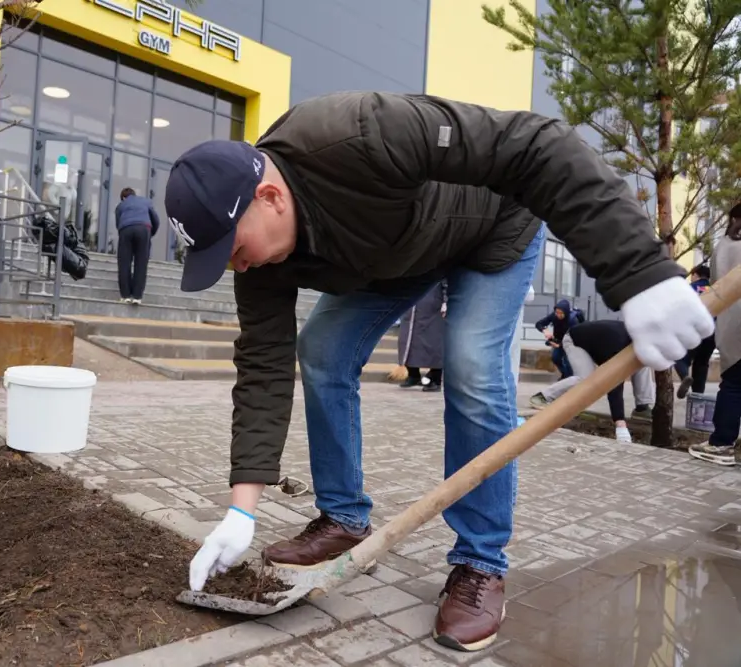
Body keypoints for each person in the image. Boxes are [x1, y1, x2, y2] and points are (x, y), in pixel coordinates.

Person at [164, 92, 713, 653]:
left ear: (270, 196)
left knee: (473, 367)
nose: (238, 265)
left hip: (491, 230)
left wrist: (640, 273)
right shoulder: (258, 260)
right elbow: (262, 366)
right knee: (324, 349)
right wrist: (241, 510)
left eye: (233, 249)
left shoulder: (361, 135)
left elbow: (540, 144)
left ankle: (479, 562)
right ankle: (344, 519)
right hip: (401, 253)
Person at [529, 320, 655, 442]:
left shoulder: (636, 341)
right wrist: (620, 423)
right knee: (585, 378)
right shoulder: (618, 343)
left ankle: (642, 408)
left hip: (595, 341)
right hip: (575, 339)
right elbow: (614, 383)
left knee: (642, 363)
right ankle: (543, 396)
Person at [689, 206, 741, 466]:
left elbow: (720, 282)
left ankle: (722, 444)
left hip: (736, 323)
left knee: (733, 383)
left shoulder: (728, 245)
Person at [397, 279, 447, 392]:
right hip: (412, 305)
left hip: (433, 307)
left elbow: (446, 282)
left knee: (433, 343)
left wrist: (445, 301)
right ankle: (413, 375)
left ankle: (435, 379)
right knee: (407, 342)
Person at [674, 264, 716, 398]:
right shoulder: (715, 289)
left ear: (695, 275)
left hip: (694, 331)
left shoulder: (689, 288)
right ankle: (698, 396)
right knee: (702, 365)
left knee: (680, 358)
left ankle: (685, 376)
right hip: (711, 333)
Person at [114, 187, 160, 304]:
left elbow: (118, 223)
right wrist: (150, 233)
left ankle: (125, 296)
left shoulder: (121, 206)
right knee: (141, 263)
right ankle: (137, 296)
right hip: (144, 228)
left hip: (126, 229)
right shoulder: (146, 201)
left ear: (124, 197)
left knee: (124, 262)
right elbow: (155, 219)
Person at [535, 300, 578, 379]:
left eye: (561, 313)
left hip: (571, 343)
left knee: (567, 362)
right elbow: (538, 324)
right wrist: (544, 330)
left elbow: (575, 337)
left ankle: (570, 379)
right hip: (558, 341)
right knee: (556, 358)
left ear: (566, 312)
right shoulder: (554, 316)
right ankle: (565, 375)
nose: (558, 315)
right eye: (557, 312)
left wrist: (560, 345)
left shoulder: (572, 321)